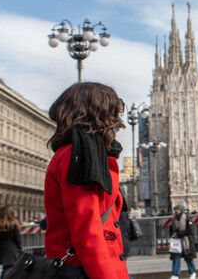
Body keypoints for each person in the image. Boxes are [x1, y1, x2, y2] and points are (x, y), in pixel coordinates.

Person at [43, 82, 129, 278]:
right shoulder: (77, 156)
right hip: (87, 270)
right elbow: (87, 231)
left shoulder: (88, 155)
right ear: (98, 113)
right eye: (113, 112)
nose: (117, 120)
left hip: (97, 267)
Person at [169, 205, 197, 279]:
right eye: (175, 209)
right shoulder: (173, 220)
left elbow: (189, 231)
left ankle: (192, 272)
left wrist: (178, 234)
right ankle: (175, 274)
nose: (176, 211)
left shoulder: (187, 219)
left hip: (186, 242)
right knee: (176, 257)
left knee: (188, 258)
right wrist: (172, 235)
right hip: (177, 242)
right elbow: (171, 231)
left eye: (177, 209)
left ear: (181, 210)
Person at [0, 205, 22, 278]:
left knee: (7, 267)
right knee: (10, 268)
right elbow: (18, 239)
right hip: (13, 249)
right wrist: (20, 248)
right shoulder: (13, 224)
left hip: (2, 249)